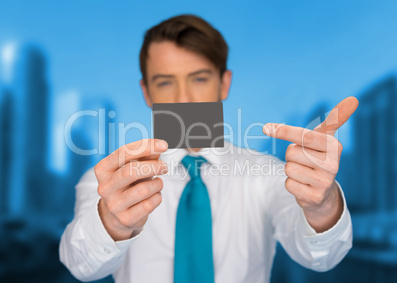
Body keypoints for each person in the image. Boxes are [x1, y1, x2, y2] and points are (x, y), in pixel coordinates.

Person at [59, 14, 355, 283]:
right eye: (165, 83)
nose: (184, 97)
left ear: (224, 84)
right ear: (147, 92)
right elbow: (81, 266)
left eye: (199, 79)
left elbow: (321, 257)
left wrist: (323, 205)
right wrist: (110, 222)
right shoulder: (112, 182)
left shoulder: (268, 174)